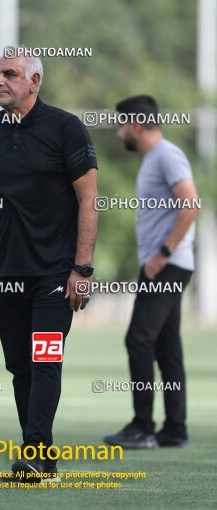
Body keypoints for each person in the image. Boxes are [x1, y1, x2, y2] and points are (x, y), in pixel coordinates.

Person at [0, 50, 98, 479]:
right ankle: (43, 456)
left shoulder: (65, 128)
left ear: (34, 81)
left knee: (45, 359)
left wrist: (82, 269)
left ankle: (30, 452)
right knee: (20, 366)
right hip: (6, 273)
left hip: (54, 273)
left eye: (9, 74)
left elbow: (89, 200)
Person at [104, 95, 200, 449]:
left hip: (167, 266)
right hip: (167, 265)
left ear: (137, 126)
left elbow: (191, 204)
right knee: (166, 346)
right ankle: (175, 430)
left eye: (123, 125)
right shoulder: (154, 159)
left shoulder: (166, 155)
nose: (119, 133)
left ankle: (143, 426)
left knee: (138, 339)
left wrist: (162, 253)